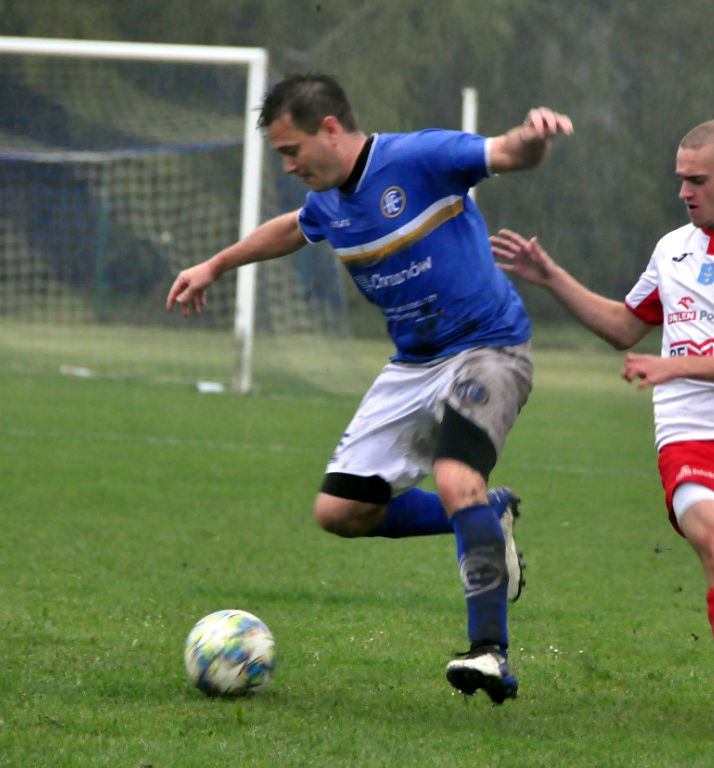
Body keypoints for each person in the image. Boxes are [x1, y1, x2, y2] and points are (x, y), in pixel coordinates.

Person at [167, 73, 574, 703]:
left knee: (454, 477)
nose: (288, 165)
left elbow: (506, 153)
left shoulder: (418, 158)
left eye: (290, 150)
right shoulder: (328, 198)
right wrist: (215, 265)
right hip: (413, 364)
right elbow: (293, 227)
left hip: (488, 348)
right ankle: (485, 516)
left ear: (330, 129)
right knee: (340, 512)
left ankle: (489, 651)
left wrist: (534, 137)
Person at [491, 118, 714, 741]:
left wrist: (673, 363)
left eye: (697, 180)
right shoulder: (672, 250)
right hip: (689, 438)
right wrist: (551, 277)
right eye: (680, 180)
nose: (685, 192)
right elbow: (624, 326)